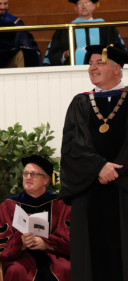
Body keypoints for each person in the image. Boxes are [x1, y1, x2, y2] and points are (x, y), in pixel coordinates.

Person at [59, 44, 128, 281]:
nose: (93, 67)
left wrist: (116, 169)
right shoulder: (81, 103)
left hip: (124, 192)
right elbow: (71, 147)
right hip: (90, 191)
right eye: (90, 63)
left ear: (117, 68)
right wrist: (99, 166)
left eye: (100, 62)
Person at [0, 155, 71, 281]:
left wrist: (47, 244)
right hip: (21, 257)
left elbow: (70, 239)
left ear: (46, 180)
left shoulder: (61, 204)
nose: (28, 177)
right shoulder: (9, 205)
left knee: (66, 269)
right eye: (25, 174)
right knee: (16, 270)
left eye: (34, 174)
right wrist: (21, 243)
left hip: (54, 255)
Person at [44, 0, 126, 66]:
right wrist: (65, 54)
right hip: (74, 71)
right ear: (75, 8)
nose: (83, 6)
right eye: (80, 4)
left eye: (87, 3)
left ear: (93, 6)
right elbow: (54, 53)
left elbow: (117, 49)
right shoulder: (66, 29)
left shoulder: (106, 27)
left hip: (102, 69)